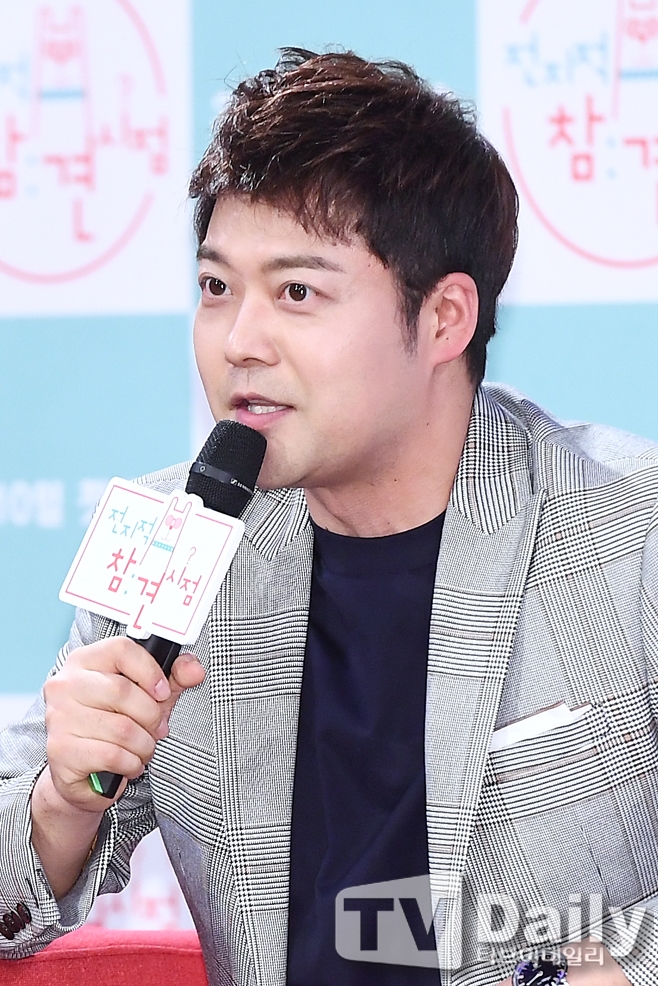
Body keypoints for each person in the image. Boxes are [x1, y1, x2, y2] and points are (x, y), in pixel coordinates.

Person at [0, 48, 656, 986]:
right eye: (216, 287)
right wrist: (64, 802)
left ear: (444, 318)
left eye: (297, 293)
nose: (240, 342)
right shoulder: (177, 540)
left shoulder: (631, 530)